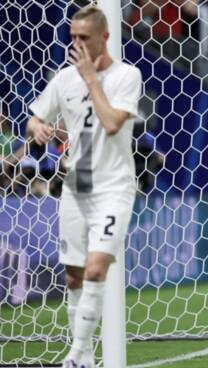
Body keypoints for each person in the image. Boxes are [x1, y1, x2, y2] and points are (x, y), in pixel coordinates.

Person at [26, 5, 142, 367]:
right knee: (74, 275)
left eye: (83, 38)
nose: (75, 44)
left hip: (114, 188)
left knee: (95, 268)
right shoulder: (63, 79)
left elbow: (111, 124)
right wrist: (39, 128)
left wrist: (92, 79)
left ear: (104, 38)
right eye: (72, 37)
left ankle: (76, 355)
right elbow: (34, 118)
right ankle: (87, 356)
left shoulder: (127, 76)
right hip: (76, 187)